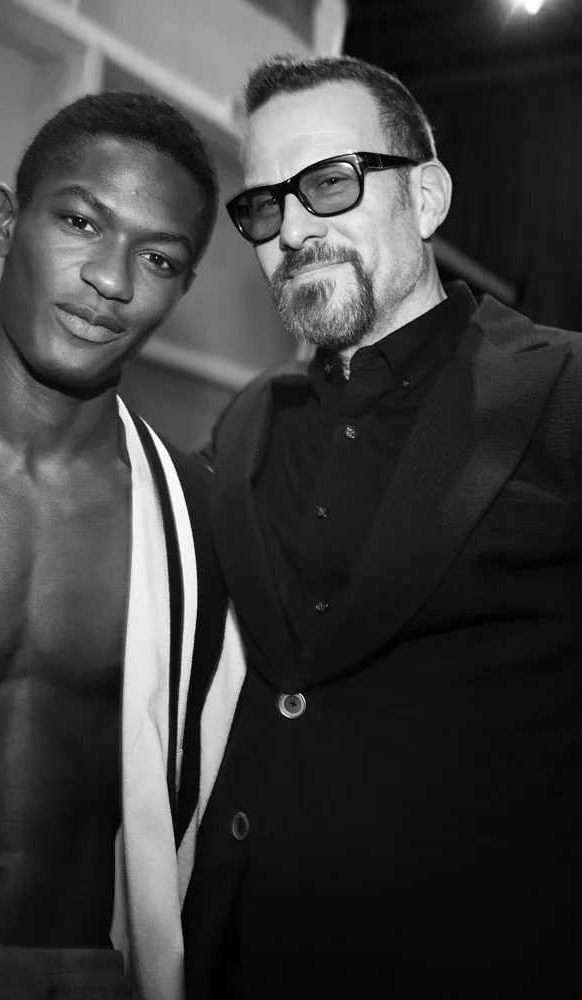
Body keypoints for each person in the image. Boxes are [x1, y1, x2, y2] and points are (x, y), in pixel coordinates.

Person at [182, 54, 582, 999]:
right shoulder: (246, 424)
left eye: (329, 183)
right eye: (264, 206)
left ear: (426, 197)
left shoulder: (563, 393)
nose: (293, 230)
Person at [0, 91, 245, 1000]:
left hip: (83, 974)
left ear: (181, 288)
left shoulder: (197, 521)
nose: (111, 279)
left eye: (158, 258)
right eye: (79, 222)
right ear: (5, 222)